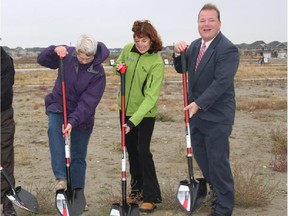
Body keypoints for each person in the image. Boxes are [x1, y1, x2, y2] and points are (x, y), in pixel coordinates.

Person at [174, 4, 239, 216]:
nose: (206, 24)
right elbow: (181, 68)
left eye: (211, 20)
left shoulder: (227, 49)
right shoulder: (194, 46)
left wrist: (199, 103)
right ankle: (217, 195)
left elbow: (221, 82)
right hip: (196, 116)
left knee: (218, 163)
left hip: (217, 117)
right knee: (204, 161)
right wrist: (177, 53)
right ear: (198, 24)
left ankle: (224, 208)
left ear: (219, 23)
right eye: (202, 20)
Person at [37, 34, 109, 196]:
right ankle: (61, 178)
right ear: (77, 51)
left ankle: (77, 193)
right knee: (54, 132)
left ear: (94, 54)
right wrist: (54, 50)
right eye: (81, 57)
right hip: (59, 106)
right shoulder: (67, 55)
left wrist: (72, 122)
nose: (83, 61)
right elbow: (42, 60)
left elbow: (88, 103)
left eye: (87, 58)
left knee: (78, 154)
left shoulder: (98, 73)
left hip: (83, 116)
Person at [114, 20, 164, 213]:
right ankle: (136, 191)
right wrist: (118, 68)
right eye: (137, 40)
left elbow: (151, 98)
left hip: (144, 115)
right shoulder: (128, 50)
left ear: (152, 39)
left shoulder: (156, 63)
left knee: (143, 151)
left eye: (144, 40)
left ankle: (151, 196)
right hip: (124, 110)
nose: (140, 44)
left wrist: (132, 122)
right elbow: (117, 65)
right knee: (132, 152)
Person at [1, 47, 18, 216]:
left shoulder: (5, 61)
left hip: (2, 116)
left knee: (4, 159)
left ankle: (8, 204)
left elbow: (4, 93)